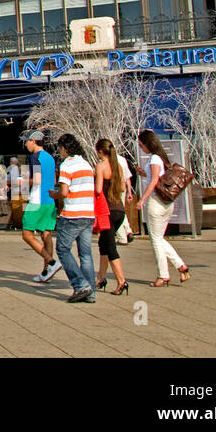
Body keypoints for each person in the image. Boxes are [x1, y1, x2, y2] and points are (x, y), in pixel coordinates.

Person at [138, 130, 189, 287]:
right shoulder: (161, 158)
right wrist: (144, 174)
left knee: (156, 241)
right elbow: (159, 179)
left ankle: (163, 275)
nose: (141, 148)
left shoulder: (154, 159)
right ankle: (181, 266)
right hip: (166, 203)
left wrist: (142, 200)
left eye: (141, 145)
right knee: (159, 238)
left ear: (148, 144)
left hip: (155, 202)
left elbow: (154, 182)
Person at [53, 134, 96, 303]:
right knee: (85, 254)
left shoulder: (67, 165)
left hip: (72, 214)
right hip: (88, 213)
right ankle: (91, 292)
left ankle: (80, 285)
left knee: (63, 249)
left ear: (64, 148)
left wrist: (55, 194)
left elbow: (64, 192)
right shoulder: (86, 164)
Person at [21, 130, 61, 283]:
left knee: (27, 235)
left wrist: (23, 181)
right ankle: (46, 272)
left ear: (33, 141)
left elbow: (36, 180)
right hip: (49, 200)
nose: (26, 144)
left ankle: (52, 263)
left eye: (27, 141)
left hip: (37, 200)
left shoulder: (35, 157)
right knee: (46, 234)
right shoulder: (50, 158)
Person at [93, 139, 128, 295]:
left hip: (106, 210)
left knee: (110, 247)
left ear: (100, 151)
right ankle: (100, 277)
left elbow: (99, 189)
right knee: (104, 243)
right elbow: (122, 188)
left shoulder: (101, 167)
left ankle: (121, 281)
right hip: (119, 209)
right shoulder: (118, 167)